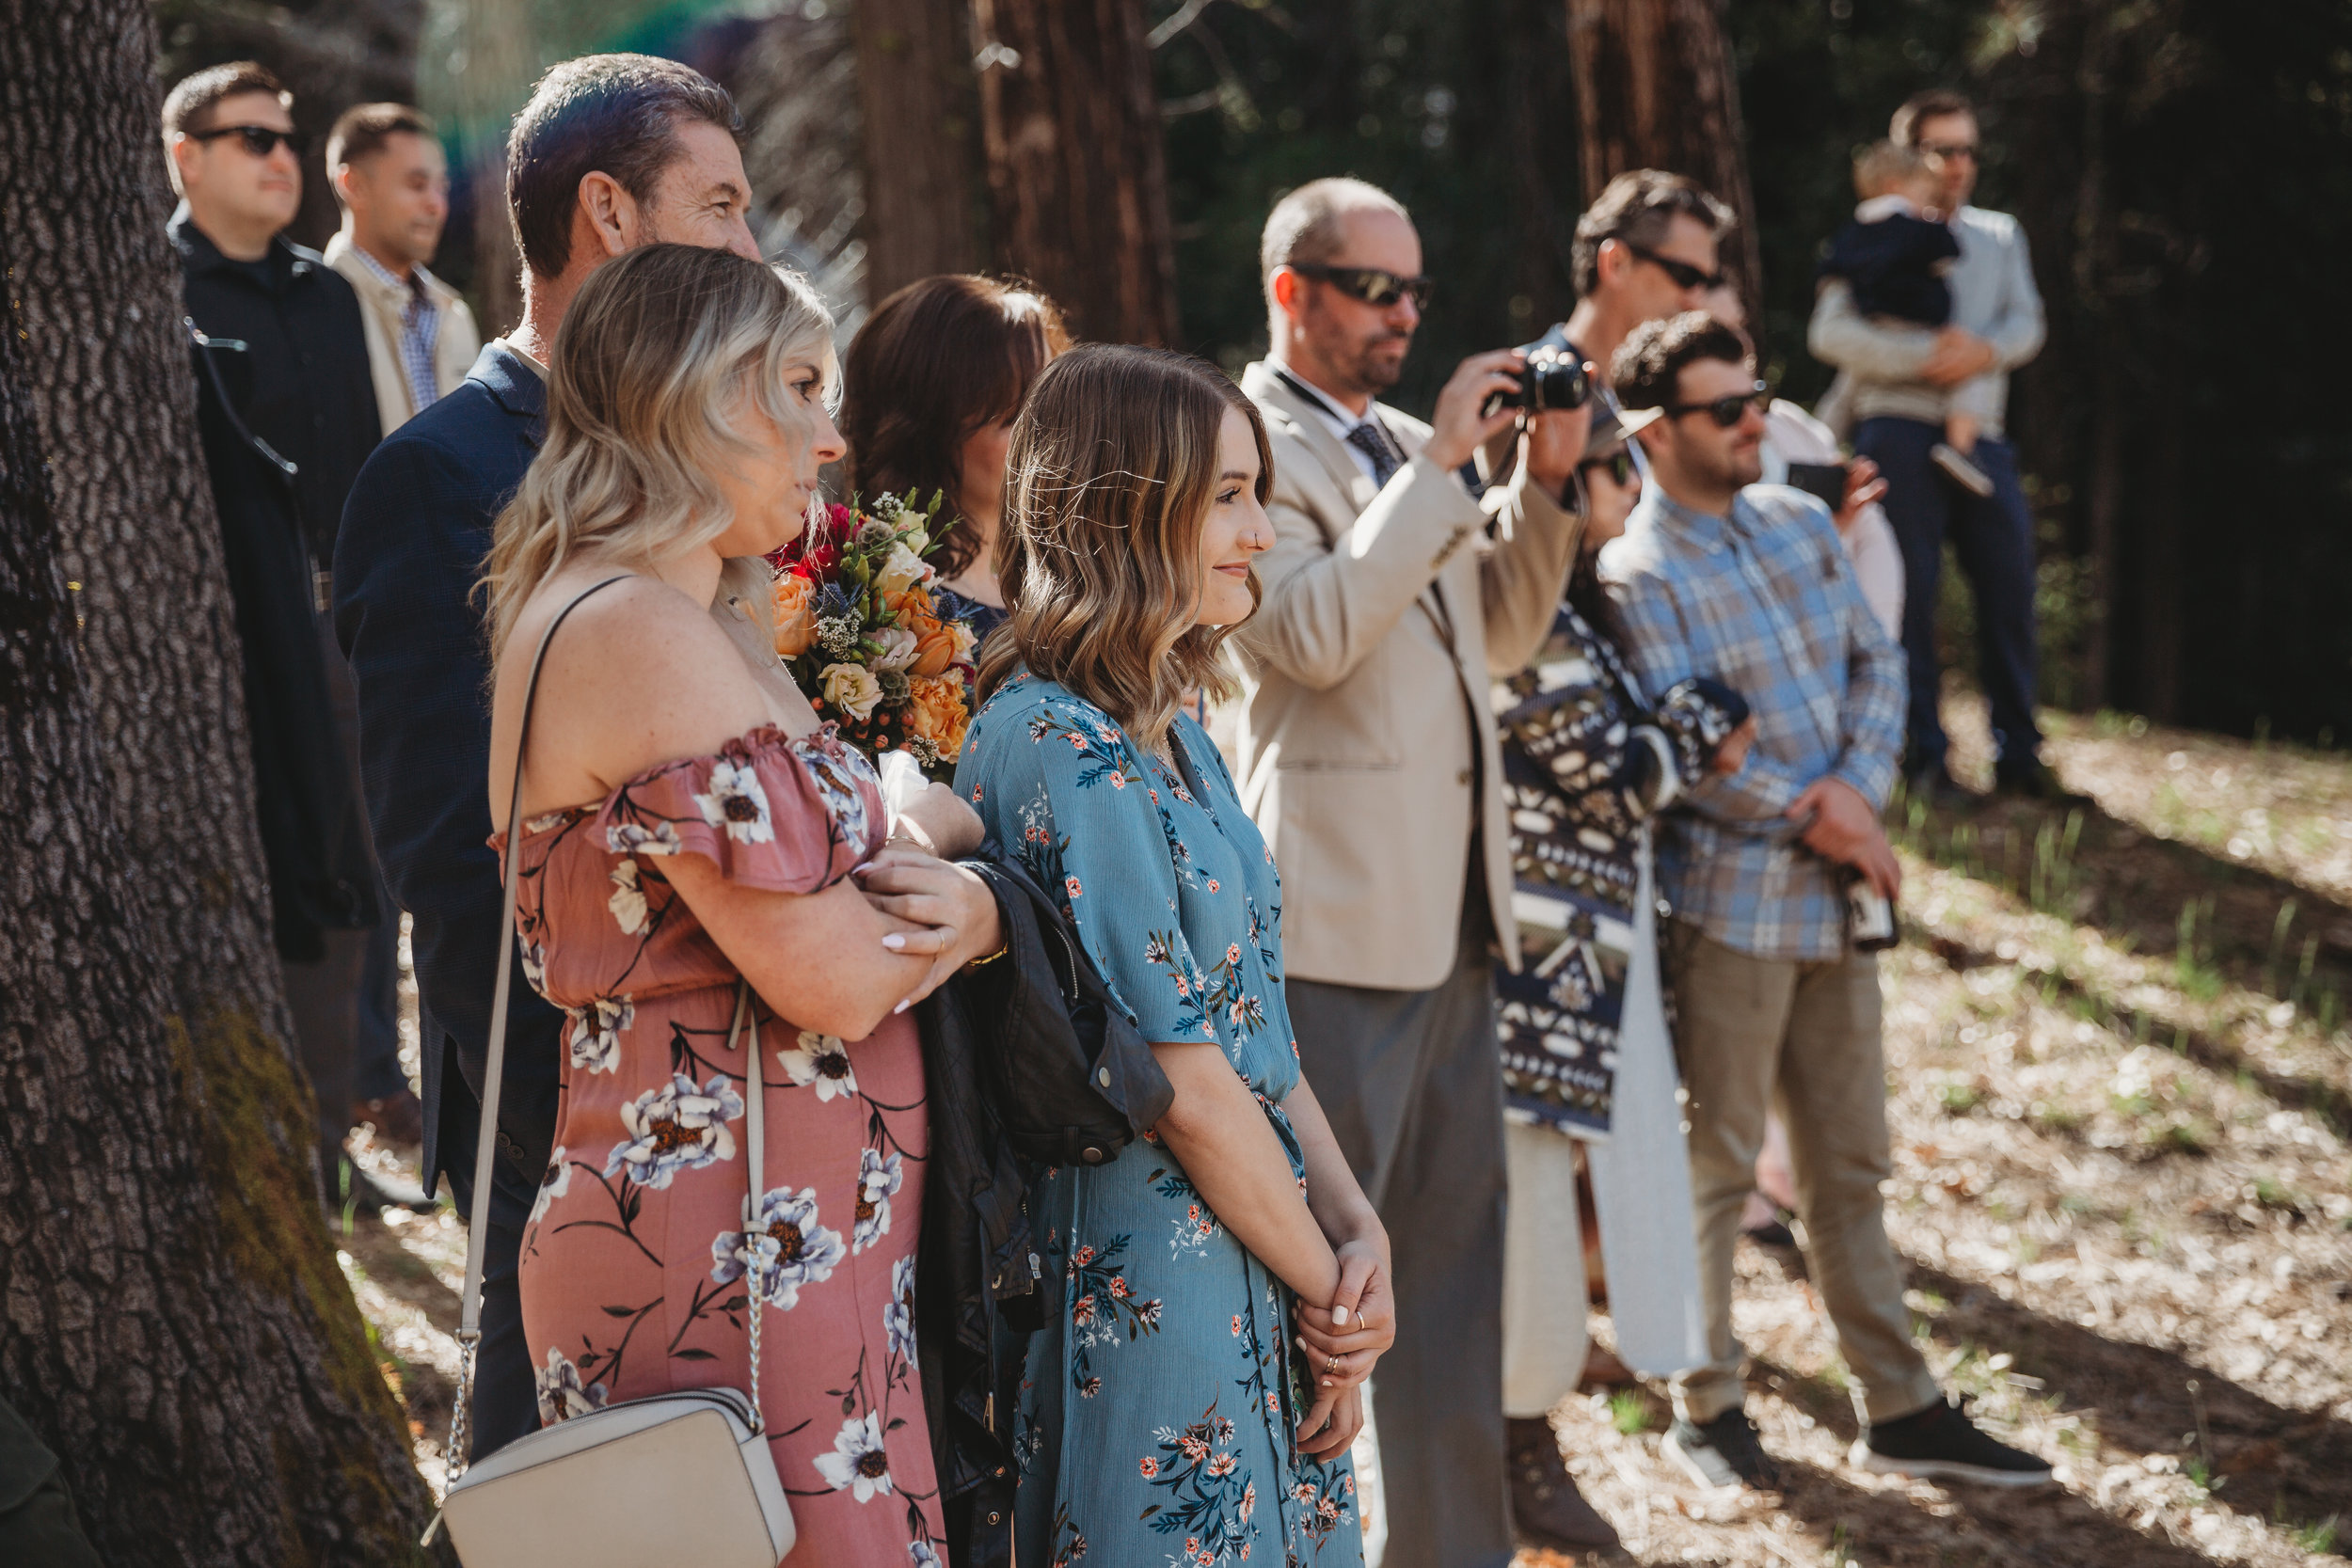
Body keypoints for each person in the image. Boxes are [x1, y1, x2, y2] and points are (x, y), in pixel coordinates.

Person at [483, 242, 996, 1563]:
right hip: (719, 1250)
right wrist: (958, 871)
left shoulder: (687, 611)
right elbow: (827, 972)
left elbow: (871, 838)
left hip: (783, 1245)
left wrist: (924, 847)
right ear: (701, 398)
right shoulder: (631, 628)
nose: (831, 439)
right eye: (802, 389)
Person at [335, 52, 768, 1460]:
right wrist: (607, 1147)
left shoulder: (716, 461)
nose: (751, 250)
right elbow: (457, 884)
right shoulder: (440, 480)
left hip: (771, 1136)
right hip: (584, 1153)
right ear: (610, 215)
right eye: (722, 206)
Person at [1601, 311, 2054, 1492]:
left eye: (1756, 397)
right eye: (1726, 408)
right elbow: (1686, 751)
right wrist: (1823, 811)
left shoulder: (1803, 523)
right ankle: (1707, 1406)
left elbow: (1878, 662)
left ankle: (1898, 1407)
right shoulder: (1631, 573)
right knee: (1716, 1168)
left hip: (1832, 906)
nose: (1757, 421)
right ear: (1656, 431)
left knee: (1849, 1168)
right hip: (1727, 917)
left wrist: (1852, 798)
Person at [960, 342, 1393, 1568]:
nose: (1261, 528)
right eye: (1229, 494)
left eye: (1259, 489)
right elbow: (1184, 1081)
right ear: (1119, 508)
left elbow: (1255, 1027)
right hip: (1151, 1271)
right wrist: (1334, 1299)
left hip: (1271, 1240)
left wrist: (1361, 1235)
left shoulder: (1181, 733)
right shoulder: (1042, 734)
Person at [1232, 176, 1589, 1568]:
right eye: (1374, 288)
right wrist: (1444, 473)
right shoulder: (1245, 440)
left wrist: (1540, 484)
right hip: (1328, 919)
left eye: (1415, 291)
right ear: (1292, 292)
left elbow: (1496, 632)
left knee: (1451, 1279)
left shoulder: (1397, 442)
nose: (1402, 315)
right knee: (1317, 1281)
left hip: (1454, 913)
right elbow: (1311, 634)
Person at [1490, 405, 1727, 1555]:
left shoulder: (1583, 604)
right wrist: (1695, 725)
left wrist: (1672, 732)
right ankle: (1517, 1448)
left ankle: (1527, 1439)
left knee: (1565, 1196)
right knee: (1530, 1201)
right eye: (1610, 464)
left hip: (1591, 937)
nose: (1632, 484)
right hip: (1531, 955)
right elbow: (1612, 766)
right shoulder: (1522, 601)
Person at [164, 60, 389, 1197]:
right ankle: (276, 1147)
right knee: (260, 878)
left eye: (286, 136)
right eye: (248, 136)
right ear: (183, 156)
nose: (279, 156)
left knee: (356, 870)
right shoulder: (154, 290)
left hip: (337, 640)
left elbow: (358, 463)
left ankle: (343, 1127)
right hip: (216, 660)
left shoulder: (326, 294)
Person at [1810, 88, 2064, 804]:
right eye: (1943, 150)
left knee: (2011, 586)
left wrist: (1980, 351)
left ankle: (2021, 754)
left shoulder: (1998, 235)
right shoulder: (1869, 234)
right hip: (1894, 425)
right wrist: (1926, 356)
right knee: (1908, 593)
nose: (1959, 165)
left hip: (1977, 432)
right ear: (1907, 158)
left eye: (1970, 150)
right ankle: (1923, 753)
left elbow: (2028, 323)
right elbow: (1830, 334)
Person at [839, 274, 1070, 650]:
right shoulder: (886, 622)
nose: (1052, 433)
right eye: (1015, 417)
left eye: (1056, 404)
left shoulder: (1063, 601)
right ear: (931, 429)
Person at [1818, 140, 1998, 499]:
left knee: (1843, 394)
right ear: (1897, 186)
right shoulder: (1917, 226)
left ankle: (1817, 449)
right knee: (1968, 378)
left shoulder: (1854, 229)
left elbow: (1832, 267)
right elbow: (1946, 252)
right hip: (1918, 326)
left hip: (1873, 323)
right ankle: (1961, 449)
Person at [325, 103, 482, 436]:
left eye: (442, 187)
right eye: (416, 184)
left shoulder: (455, 315)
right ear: (353, 185)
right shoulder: (315, 308)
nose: (436, 204)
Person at [1559, 169, 1737, 455]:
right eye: (1686, 276)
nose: (1697, 301)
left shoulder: (1684, 405)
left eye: (1706, 283)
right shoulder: (1524, 397)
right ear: (1616, 263)